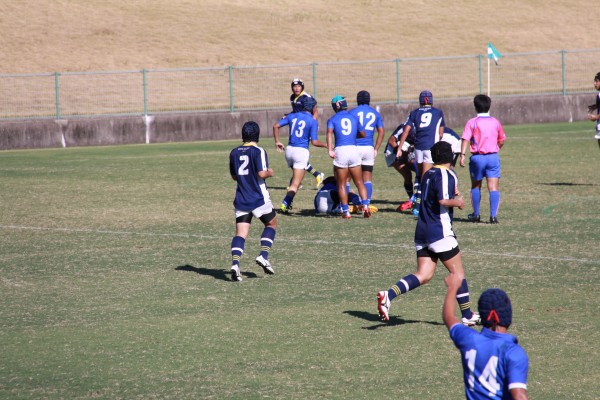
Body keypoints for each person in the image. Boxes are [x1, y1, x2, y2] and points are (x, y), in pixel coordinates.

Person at [377, 141, 480, 326]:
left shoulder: (428, 174)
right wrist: (458, 202)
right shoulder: (447, 174)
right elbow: (443, 200)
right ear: (450, 156)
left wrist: (452, 192)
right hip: (439, 231)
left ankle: (388, 295)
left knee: (424, 275)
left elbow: (435, 195)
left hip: (422, 231)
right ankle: (467, 315)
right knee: (457, 272)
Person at [443, 274, 529, 400]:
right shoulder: (513, 352)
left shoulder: (468, 340)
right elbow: (519, 395)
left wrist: (452, 287)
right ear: (508, 317)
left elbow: (449, 317)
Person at [228, 121, 277, 282]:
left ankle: (235, 264)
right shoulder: (258, 151)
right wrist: (270, 172)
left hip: (241, 198)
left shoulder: (234, 152)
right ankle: (263, 255)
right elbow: (261, 173)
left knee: (241, 234)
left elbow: (234, 176)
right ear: (257, 135)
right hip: (258, 197)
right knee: (271, 224)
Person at [274, 97, 327, 213]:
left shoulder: (292, 115)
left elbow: (276, 126)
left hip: (289, 151)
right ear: (313, 108)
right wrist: (327, 145)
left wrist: (277, 141)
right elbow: (314, 142)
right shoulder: (312, 121)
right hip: (301, 152)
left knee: (295, 179)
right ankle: (285, 204)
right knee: (296, 184)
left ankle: (288, 202)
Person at [396, 90, 446, 216]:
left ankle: (417, 204)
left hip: (418, 148)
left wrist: (399, 148)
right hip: (431, 148)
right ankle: (419, 207)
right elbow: (441, 133)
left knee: (419, 176)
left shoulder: (414, 113)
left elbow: (406, 131)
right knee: (425, 179)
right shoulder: (438, 112)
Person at [460, 94, 506, 224]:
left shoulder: (472, 122)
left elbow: (465, 139)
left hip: (477, 158)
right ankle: (493, 217)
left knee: (476, 186)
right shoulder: (495, 122)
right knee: (493, 187)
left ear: (475, 107)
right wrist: (495, 149)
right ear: (489, 106)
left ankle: (476, 214)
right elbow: (501, 140)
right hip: (493, 157)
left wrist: (462, 155)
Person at [326, 95, 371, 219]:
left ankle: (346, 211)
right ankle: (365, 206)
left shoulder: (332, 119)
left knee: (341, 184)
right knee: (359, 182)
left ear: (335, 106)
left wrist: (330, 149)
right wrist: (351, 135)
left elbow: (329, 133)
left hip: (341, 150)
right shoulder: (354, 117)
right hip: (353, 149)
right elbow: (363, 134)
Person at [348, 90, 385, 203]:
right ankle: (366, 204)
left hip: (355, 148)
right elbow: (381, 132)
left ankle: (343, 204)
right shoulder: (375, 113)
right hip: (369, 148)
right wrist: (376, 149)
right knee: (367, 178)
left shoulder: (352, 112)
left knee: (347, 178)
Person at [289, 78, 325, 188]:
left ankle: (296, 182)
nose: (296, 88)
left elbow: (315, 111)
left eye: (299, 86)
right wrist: (288, 115)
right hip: (299, 126)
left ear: (302, 87)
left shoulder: (307, 97)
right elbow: (296, 112)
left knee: (298, 153)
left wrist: (311, 124)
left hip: (308, 126)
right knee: (295, 154)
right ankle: (316, 175)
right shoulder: (292, 98)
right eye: (294, 86)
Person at [384, 123, 417, 212]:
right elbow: (391, 141)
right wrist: (400, 151)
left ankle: (418, 197)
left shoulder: (422, 129)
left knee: (420, 171)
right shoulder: (404, 128)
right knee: (408, 175)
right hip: (393, 153)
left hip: (407, 152)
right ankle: (412, 198)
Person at [587, 72, 600, 148]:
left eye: (597, 81)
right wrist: (594, 106)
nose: (594, 83)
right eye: (594, 81)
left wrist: (596, 117)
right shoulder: (599, 95)